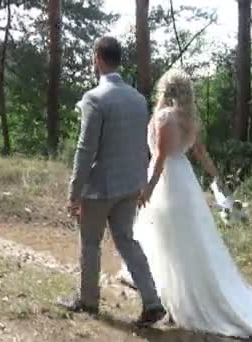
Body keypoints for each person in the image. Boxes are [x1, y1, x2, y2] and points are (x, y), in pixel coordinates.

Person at [132, 68, 252, 341]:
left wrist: (149, 188)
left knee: (169, 238)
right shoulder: (188, 119)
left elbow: (161, 157)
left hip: (167, 182)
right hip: (184, 180)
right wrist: (217, 177)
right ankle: (173, 290)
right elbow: (200, 153)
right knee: (185, 240)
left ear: (165, 89)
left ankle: (174, 295)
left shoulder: (164, 117)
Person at [59, 36, 167, 326]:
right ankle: (152, 301)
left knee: (91, 242)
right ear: (119, 59)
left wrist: (74, 192)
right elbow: (139, 145)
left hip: (100, 188)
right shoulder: (138, 99)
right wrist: (141, 183)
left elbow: (85, 150)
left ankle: (88, 301)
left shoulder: (95, 98)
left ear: (98, 58)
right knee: (127, 241)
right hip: (130, 185)